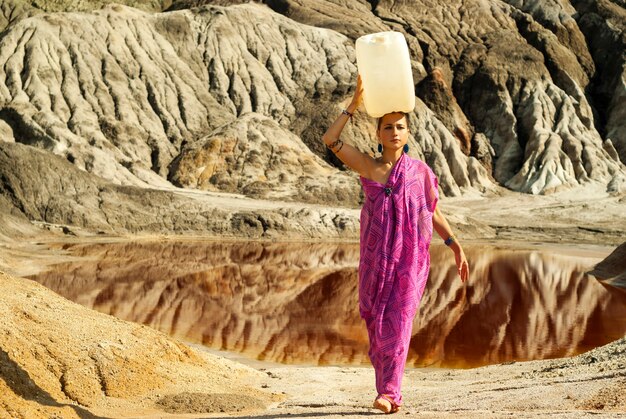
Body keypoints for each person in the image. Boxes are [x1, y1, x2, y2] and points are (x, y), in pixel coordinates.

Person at [322, 75, 469, 414]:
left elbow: (431, 212)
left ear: (408, 133)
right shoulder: (370, 167)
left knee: (400, 324)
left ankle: (390, 393)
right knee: (376, 323)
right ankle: (384, 389)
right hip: (376, 265)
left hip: (409, 262)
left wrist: (454, 244)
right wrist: (354, 106)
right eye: (387, 127)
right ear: (378, 134)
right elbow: (330, 139)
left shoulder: (419, 173)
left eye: (400, 127)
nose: (394, 132)